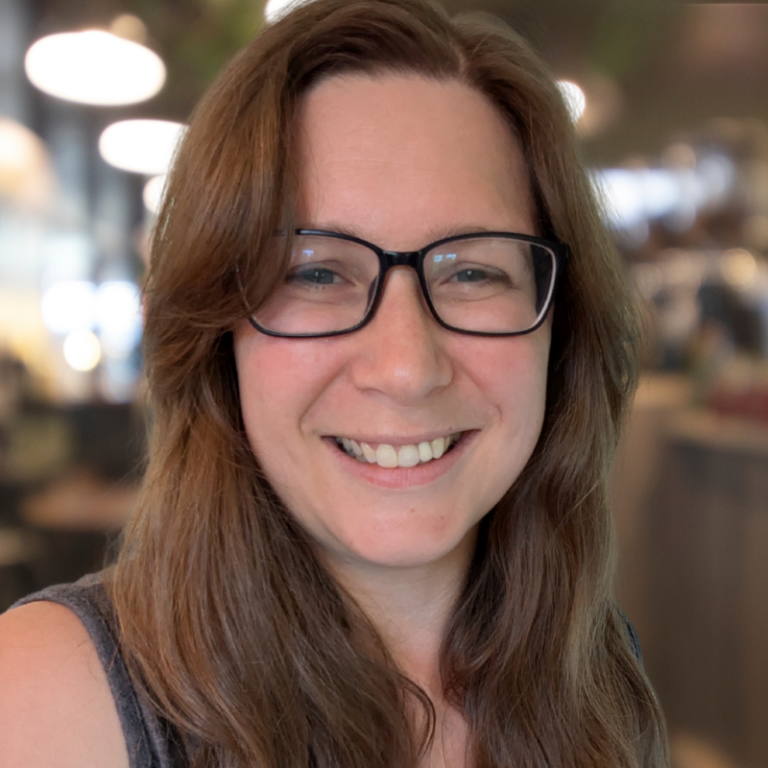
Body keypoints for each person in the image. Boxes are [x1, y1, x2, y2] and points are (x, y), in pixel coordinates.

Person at [0, 0, 668, 766]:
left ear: (561, 327)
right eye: (316, 272)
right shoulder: (47, 698)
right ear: (217, 333)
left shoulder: (603, 669)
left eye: (475, 271)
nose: (407, 367)